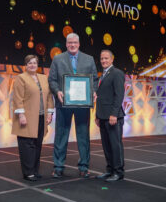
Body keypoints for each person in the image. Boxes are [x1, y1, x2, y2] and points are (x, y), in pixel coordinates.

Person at [48, 33, 98, 178]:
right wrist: (57, 91)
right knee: (61, 136)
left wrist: (94, 91)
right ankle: (58, 166)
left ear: (79, 43)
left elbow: (94, 80)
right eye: (70, 43)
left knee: (83, 136)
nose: (72, 45)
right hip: (63, 104)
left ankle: (84, 167)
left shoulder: (89, 59)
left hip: (83, 104)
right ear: (66, 44)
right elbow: (52, 80)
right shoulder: (57, 59)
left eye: (75, 42)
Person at [12, 55, 54, 181]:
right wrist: (21, 115)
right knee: (27, 145)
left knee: (37, 144)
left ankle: (35, 171)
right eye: (29, 63)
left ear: (37, 64)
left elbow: (49, 97)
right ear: (26, 65)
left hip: (41, 117)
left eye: (34, 63)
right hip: (27, 117)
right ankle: (28, 172)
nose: (32, 65)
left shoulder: (43, 78)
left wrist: (50, 113)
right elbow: (17, 98)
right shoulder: (21, 78)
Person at [95, 49, 125, 182]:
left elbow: (119, 96)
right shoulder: (103, 75)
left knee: (115, 145)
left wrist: (113, 114)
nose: (103, 61)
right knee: (107, 146)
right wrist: (97, 115)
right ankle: (109, 170)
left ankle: (118, 172)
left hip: (113, 117)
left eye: (106, 58)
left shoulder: (117, 73)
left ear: (112, 59)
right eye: (102, 58)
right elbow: (101, 97)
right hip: (102, 117)